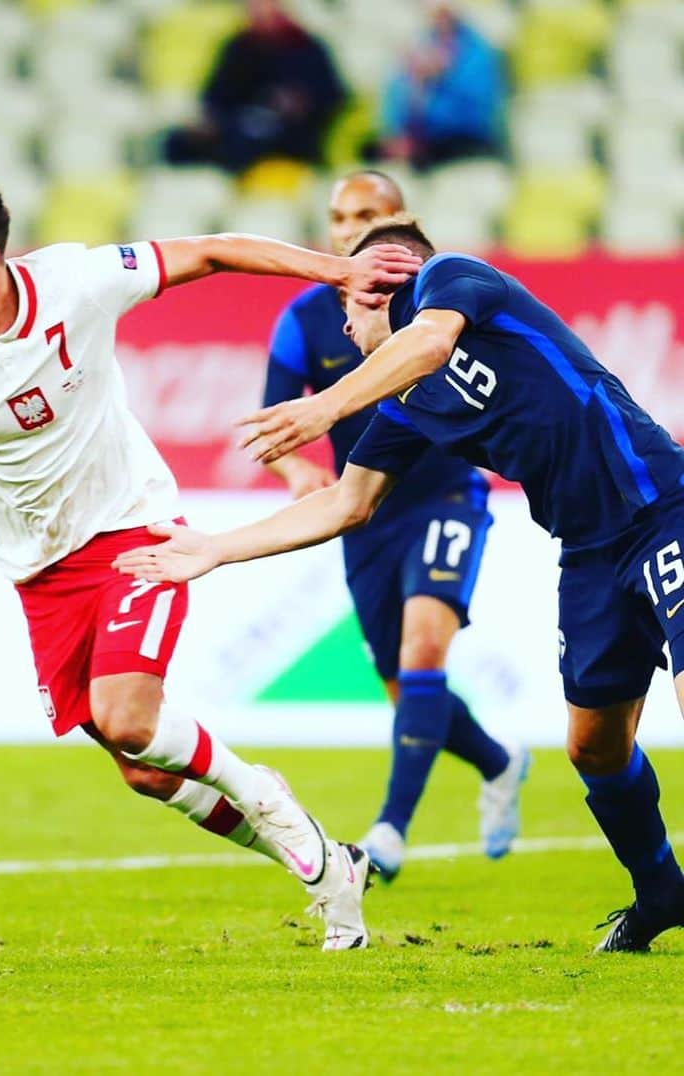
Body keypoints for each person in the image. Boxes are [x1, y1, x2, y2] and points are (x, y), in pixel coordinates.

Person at [0, 173, 423, 950]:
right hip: (39, 571)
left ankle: (272, 803)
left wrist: (337, 268)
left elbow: (212, 251)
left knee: (128, 719)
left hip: (133, 529)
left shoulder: (75, 282)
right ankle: (320, 858)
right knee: (145, 770)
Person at [115, 216, 684, 953]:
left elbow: (429, 341)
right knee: (595, 750)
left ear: (382, 284)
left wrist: (324, 406)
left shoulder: (452, 279)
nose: (341, 324)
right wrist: (216, 550)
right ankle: (662, 892)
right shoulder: (405, 406)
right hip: (588, 551)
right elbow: (345, 503)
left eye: (347, 303)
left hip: (662, 508)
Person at [260, 171, 527, 880]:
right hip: (363, 509)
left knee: (423, 651)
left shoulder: (437, 301)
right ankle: (499, 761)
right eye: (339, 216)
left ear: (398, 223)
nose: (348, 229)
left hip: (443, 495)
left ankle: (389, 833)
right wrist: (297, 474)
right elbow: (274, 420)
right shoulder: (304, 318)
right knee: (406, 687)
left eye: (365, 215)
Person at [164, 0, 347, 174]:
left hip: (291, 133)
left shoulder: (307, 47)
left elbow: (333, 99)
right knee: (177, 142)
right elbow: (216, 96)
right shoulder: (238, 47)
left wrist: (301, 103)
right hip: (238, 125)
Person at [378, 1, 506, 171]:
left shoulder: (478, 50)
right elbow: (396, 101)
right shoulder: (418, 47)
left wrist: (442, 78)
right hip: (423, 146)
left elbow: (480, 112)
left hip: (465, 143)